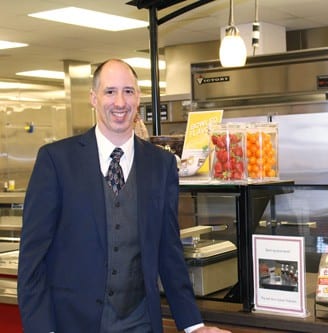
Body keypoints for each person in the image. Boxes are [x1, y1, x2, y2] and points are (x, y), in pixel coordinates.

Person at [17, 59, 231, 333]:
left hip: (139, 322)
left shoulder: (161, 165)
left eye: (128, 91)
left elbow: (169, 250)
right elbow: (32, 259)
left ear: (138, 98)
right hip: (72, 323)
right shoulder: (57, 161)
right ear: (93, 98)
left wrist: (193, 325)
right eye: (110, 92)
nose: (120, 102)